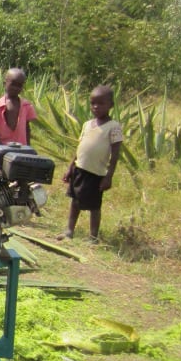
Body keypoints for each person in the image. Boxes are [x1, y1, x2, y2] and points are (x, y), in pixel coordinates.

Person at [58, 85, 122, 243]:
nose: (96, 107)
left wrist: (109, 176)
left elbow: (115, 155)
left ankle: (93, 236)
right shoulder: (87, 124)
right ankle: (69, 230)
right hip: (80, 169)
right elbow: (80, 147)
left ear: (111, 105)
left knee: (94, 206)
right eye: (93, 103)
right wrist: (70, 168)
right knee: (75, 200)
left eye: (101, 103)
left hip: (96, 173)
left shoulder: (113, 127)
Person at [0, 67, 37, 146]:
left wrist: (28, 146)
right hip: (2, 147)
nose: (15, 88)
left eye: (19, 85)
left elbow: (27, 127)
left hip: (20, 147)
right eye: (13, 84)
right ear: (5, 83)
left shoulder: (26, 106)